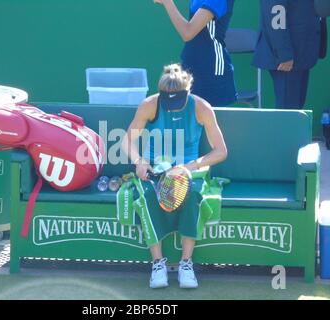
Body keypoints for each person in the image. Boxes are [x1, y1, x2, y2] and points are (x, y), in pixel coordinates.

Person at [121, 64, 227, 288]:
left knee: (194, 194)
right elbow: (127, 141)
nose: (172, 108)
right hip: (154, 170)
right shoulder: (149, 105)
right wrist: (139, 161)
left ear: (187, 92)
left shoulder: (202, 107)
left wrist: (191, 166)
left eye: (177, 103)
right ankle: (157, 263)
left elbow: (221, 151)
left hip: (189, 170)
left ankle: (186, 264)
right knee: (147, 195)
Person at [154, 0, 237, 107]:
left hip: (212, 73)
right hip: (190, 66)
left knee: (210, 121)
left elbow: (187, 32)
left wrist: (168, 2)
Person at [253, 0, 322, 109]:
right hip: (287, 58)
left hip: (302, 53)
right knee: (288, 112)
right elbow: (275, 13)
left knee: (296, 110)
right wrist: (284, 54)